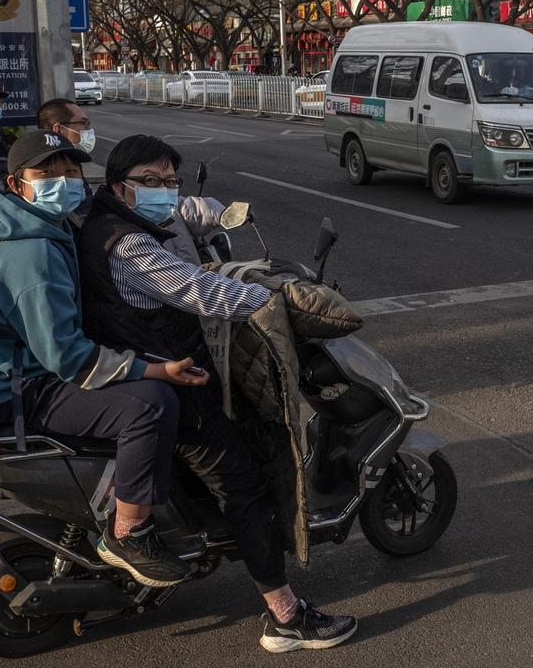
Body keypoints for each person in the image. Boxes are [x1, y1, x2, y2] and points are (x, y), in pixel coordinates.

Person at [76, 134, 358, 654]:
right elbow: (196, 290)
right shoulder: (129, 244)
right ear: (120, 187)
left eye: (170, 182)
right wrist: (279, 302)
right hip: (175, 385)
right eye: (150, 182)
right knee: (244, 488)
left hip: (152, 369)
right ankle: (286, 617)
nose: (164, 192)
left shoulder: (106, 223)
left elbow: (186, 266)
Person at [0, 129, 209, 587]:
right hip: (27, 388)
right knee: (151, 405)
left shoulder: (42, 225)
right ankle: (128, 533)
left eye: (71, 170)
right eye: (47, 172)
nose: (64, 179)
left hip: (32, 373)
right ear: (17, 184)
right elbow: (67, 358)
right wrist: (155, 370)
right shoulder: (30, 250)